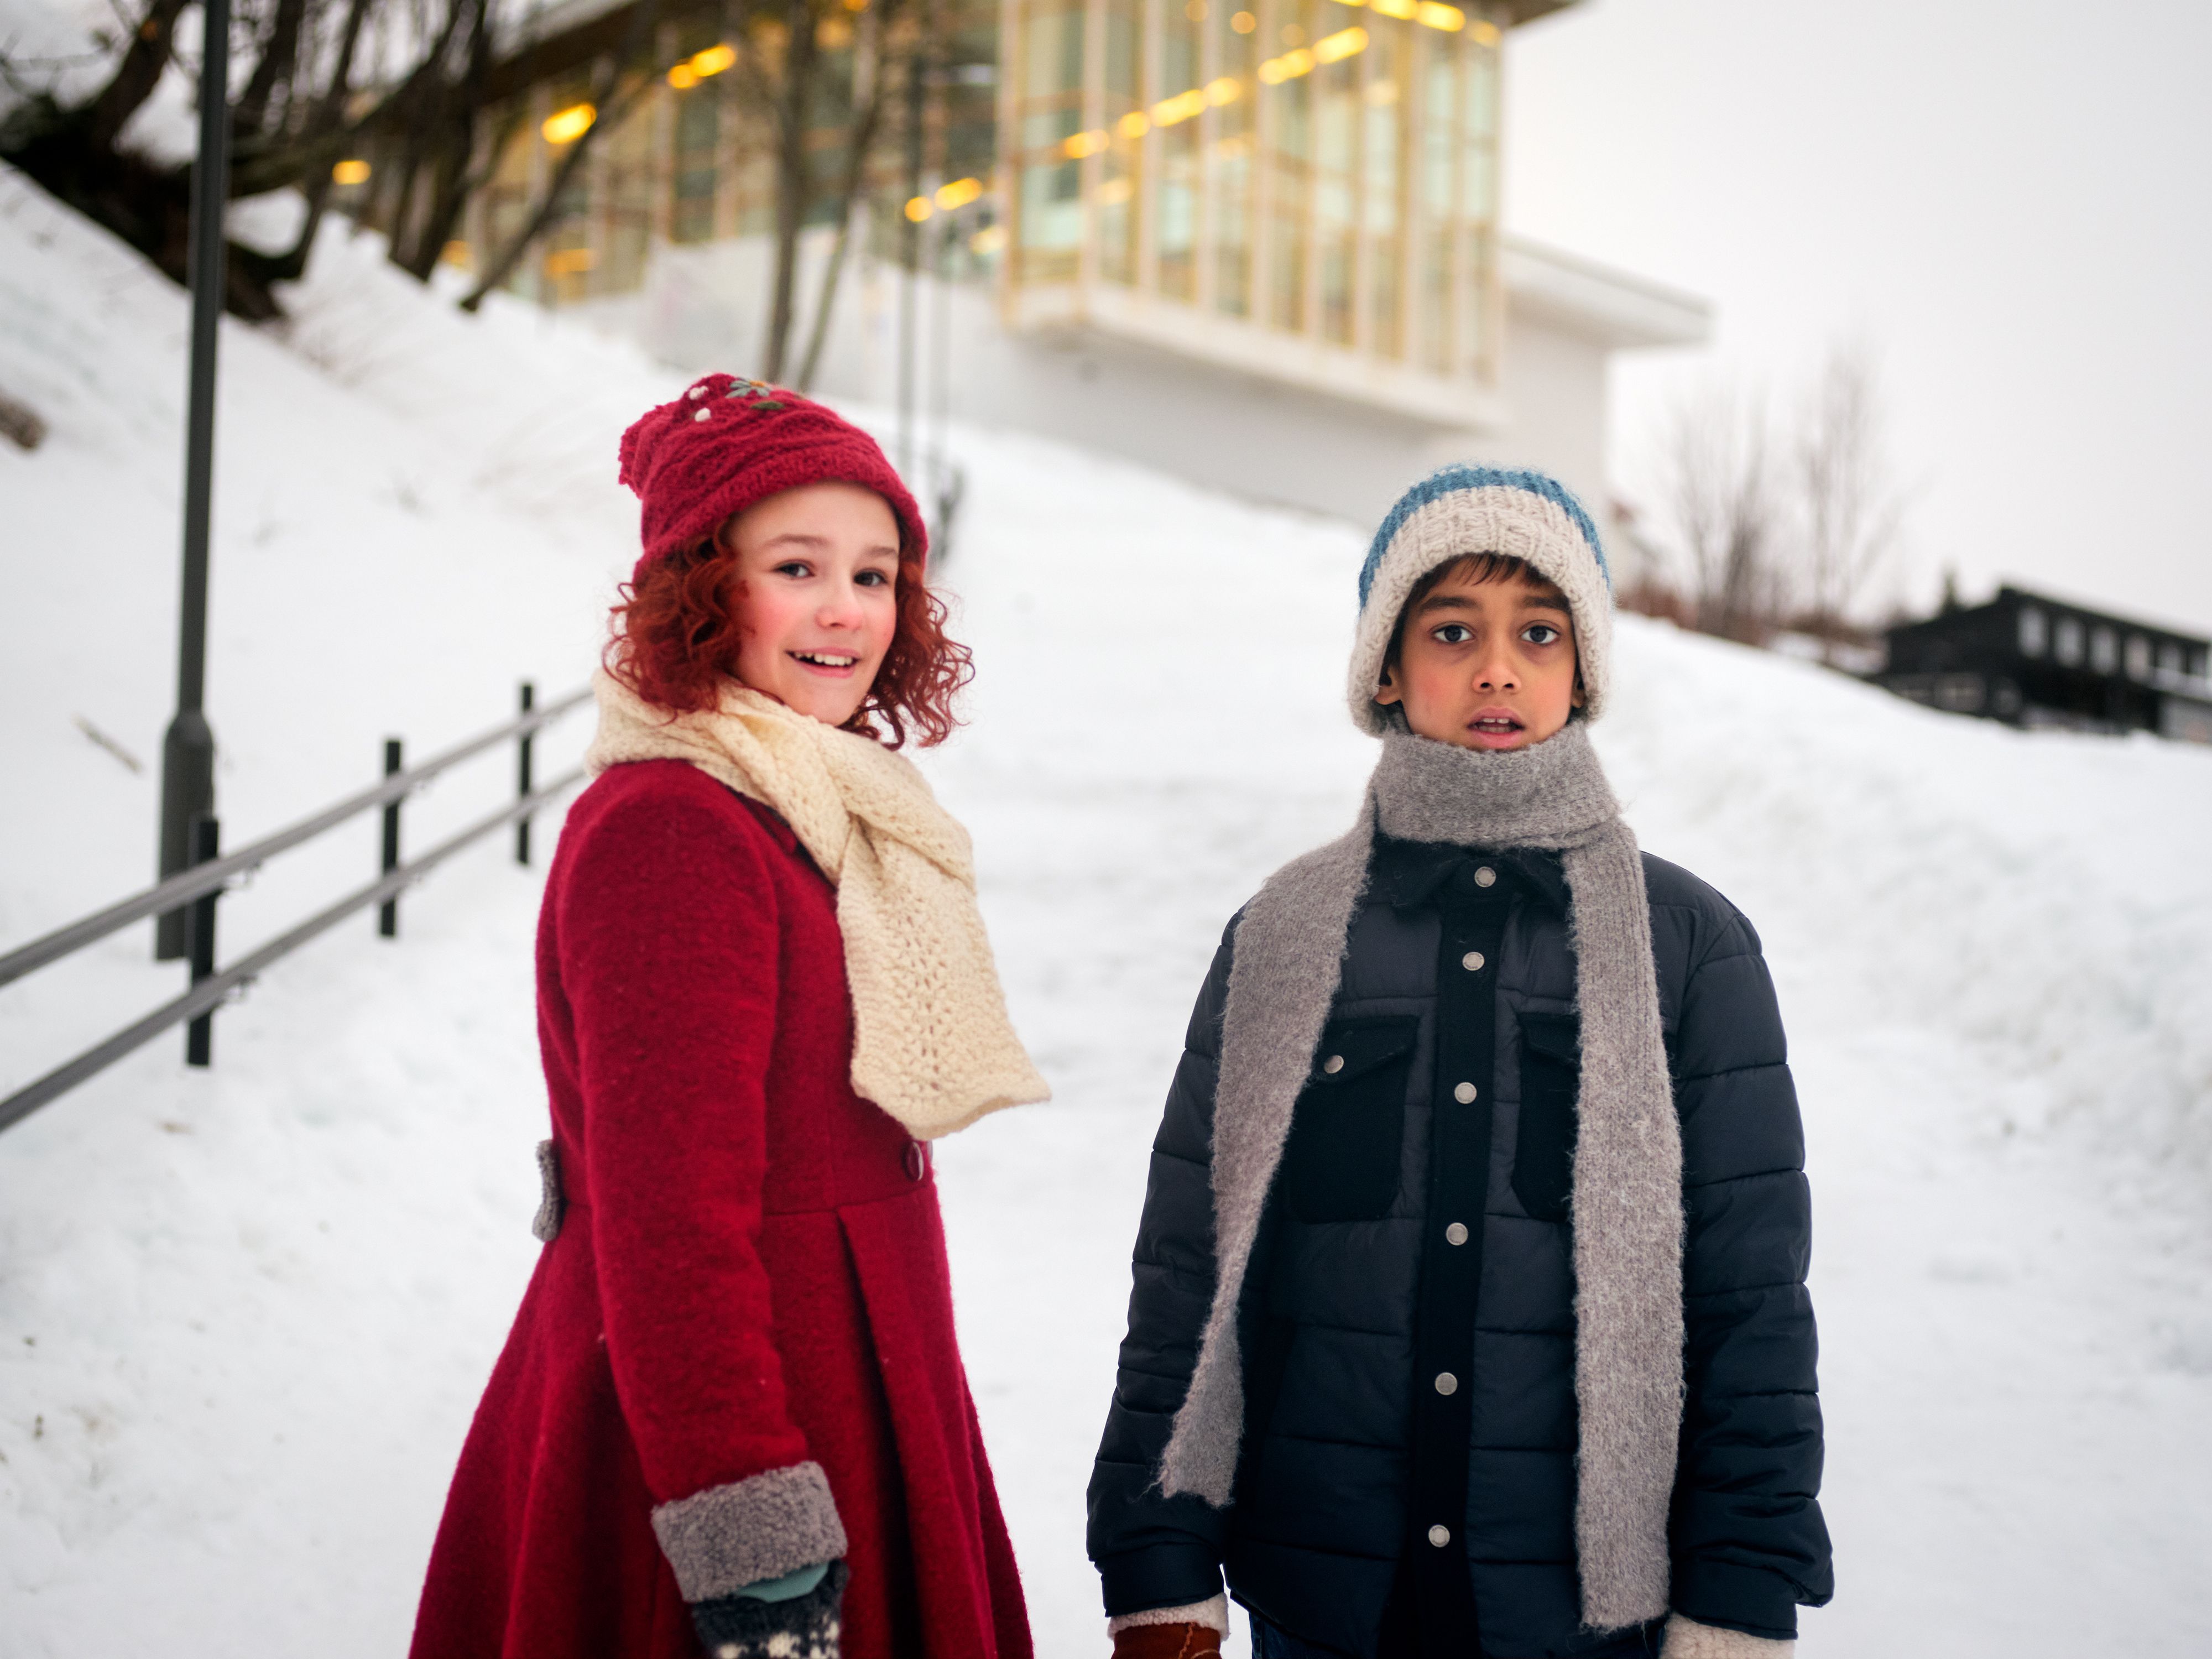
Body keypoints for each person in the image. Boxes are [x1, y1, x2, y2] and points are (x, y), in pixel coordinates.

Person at [1086, 467, 1831, 1659]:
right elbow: (1188, 1268)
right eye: (1450, 631)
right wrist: (1154, 1557)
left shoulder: (1689, 947)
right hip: (1322, 1604)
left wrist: (1740, 1584)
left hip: (1584, 1621)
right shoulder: (1281, 936)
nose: (1497, 668)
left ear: (1581, 669)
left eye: (1538, 632)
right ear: (1384, 670)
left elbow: (1749, 1301)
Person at [410, 374, 1047, 1659]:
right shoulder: (675, 829)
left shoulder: (803, 804)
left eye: (875, 576)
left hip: (849, 1374)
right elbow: (666, 1220)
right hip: (742, 1427)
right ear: (703, 587)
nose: (843, 610)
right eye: (797, 566)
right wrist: (750, 1541)